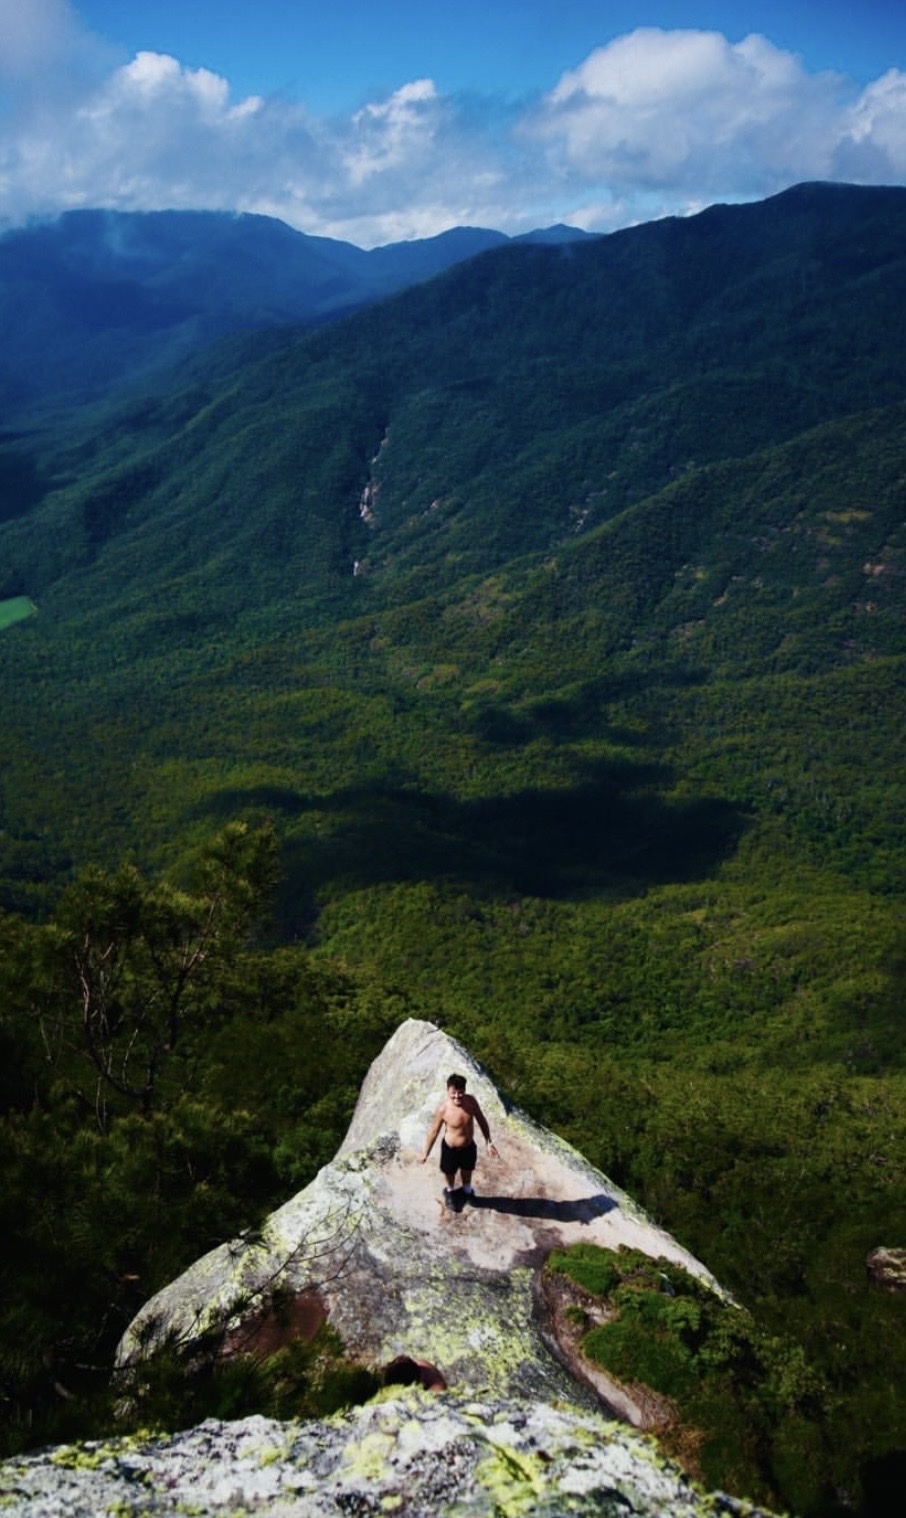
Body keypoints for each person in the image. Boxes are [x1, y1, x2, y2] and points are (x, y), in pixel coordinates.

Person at [421, 1072, 498, 1209]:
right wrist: (425, 1153)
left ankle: (467, 1191)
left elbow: (481, 1120)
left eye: (460, 1092)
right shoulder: (443, 1109)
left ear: (464, 1090)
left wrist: (488, 1142)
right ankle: (450, 1191)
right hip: (451, 1148)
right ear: (448, 1091)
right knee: (450, 1172)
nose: (457, 1096)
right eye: (453, 1093)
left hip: (468, 1146)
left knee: (467, 1169)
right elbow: (434, 1131)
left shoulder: (471, 1102)